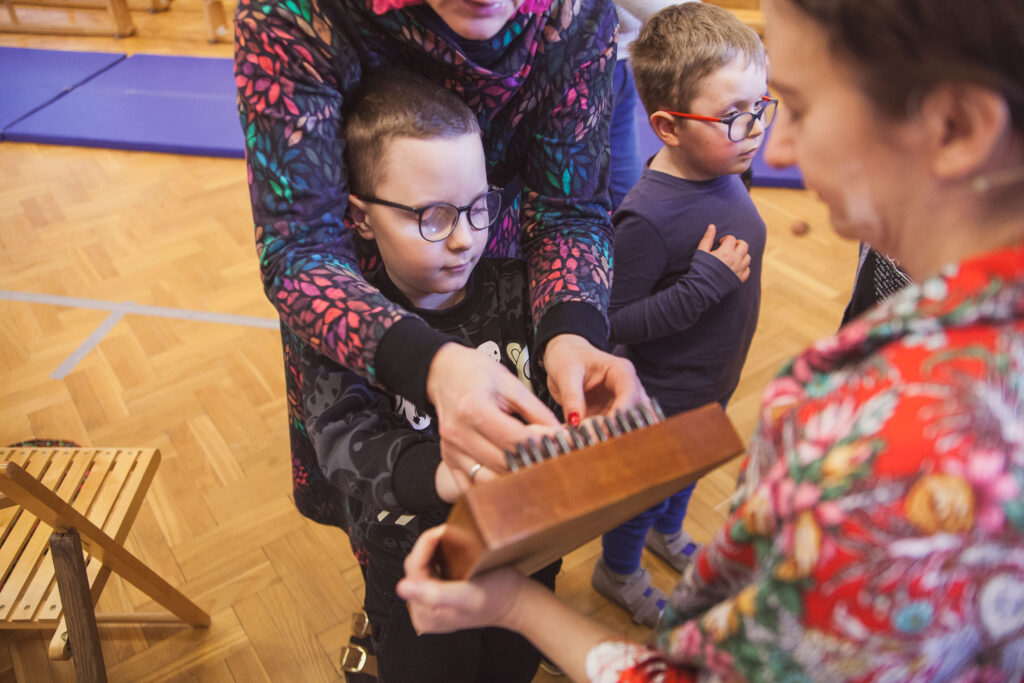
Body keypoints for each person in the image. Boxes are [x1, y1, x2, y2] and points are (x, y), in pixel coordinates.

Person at [396, 0, 1024, 680]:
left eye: (801, 107)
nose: (777, 148)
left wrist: (515, 603)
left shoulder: (889, 449)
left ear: (956, 127)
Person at [234, 0, 646, 532]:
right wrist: (434, 364)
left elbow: (569, 205)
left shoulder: (576, 13)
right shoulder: (293, 13)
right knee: (386, 511)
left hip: (498, 260)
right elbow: (300, 248)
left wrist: (572, 333)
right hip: (355, 300)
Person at [302, 70, 560, 682]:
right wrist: (445, 473)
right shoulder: (348, 322)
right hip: (414, 565)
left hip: (526, 545)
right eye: (433, 217)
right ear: (361, 218)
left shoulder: (518, 292)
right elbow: (342, 443)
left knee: (511, 664)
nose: (464, 239)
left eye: (476, 208)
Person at [592, 2, 769, 628]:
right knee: (642, 496)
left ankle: (670, 534)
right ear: (667, 127)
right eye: (732, 117)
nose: (753, 131)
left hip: (712, 378)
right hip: (662, 397)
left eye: (760, 109)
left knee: (690, 470)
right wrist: (703, 286)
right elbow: (616, 323)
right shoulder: (646, 217)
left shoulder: (723, 164)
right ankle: (617, 570)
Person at [608, 0, 701, 209]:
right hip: (589, 63)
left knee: (625, 181)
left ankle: (629, 233)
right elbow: (668, 11)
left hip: (622, 59)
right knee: (576, 186)